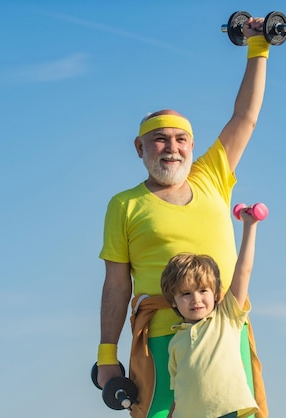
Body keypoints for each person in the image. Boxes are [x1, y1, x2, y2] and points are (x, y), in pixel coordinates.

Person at [97, 16, 270, 418]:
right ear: (140, 147)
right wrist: (107, 355)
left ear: (192, 146)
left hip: (224, 332)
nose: (171, 148)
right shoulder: (124, 204)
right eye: (159, 139)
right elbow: (116, 285)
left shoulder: (211, 176)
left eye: (180, 139)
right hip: (158, 337)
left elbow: (245, 118)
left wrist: (258, 46)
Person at [161, 206, 261, 418]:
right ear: (173, 302)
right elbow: (179, 394)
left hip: (224, 411)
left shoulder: (226, 318)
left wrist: (250, 226)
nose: (196, 299)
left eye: (203, 290)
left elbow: (243, 270)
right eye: (186, 294)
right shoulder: (176, 342)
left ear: (216, 293)